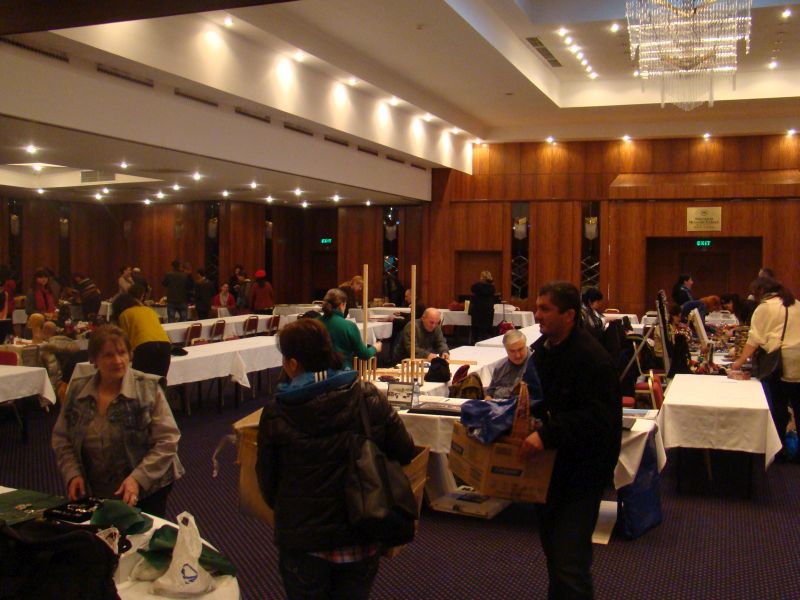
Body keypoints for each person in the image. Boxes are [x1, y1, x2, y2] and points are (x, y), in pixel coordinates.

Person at [256, 318, 415, 600]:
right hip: (361, 531)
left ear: (292, 363)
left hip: (304, 542)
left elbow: (267, 482)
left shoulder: (276, 412)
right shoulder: (366, 396)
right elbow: (404, 450)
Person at [519, 281, 621, 600]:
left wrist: (546, 433)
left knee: (570, 564)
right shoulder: (541, 353)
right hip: (549, 470)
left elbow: (598, 419)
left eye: (545, 309)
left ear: (569, 315)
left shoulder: (592, 359)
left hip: (582, 474)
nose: (537, 315)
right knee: (555, 559)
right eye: (537, 308)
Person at [52, 325, 183, 517]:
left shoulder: (147, 388)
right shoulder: (77, 390)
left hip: (149, 488)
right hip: (97, 487)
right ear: (94, 359)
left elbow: (167, 440)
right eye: (108, 355)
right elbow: (62, 438)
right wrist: (73, 474)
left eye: (122, 353)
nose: (118, 361)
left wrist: (137, 479)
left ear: (130, 355)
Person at [732, 277, 800, 457]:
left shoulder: (765, 308)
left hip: (780, 362)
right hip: (798, 360)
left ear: (760, 291)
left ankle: (780, 452)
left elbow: (754, 339)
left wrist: (738, 362)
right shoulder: (795, 304)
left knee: (779, 407)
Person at [112, 293, 172, 379]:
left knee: (140, 383)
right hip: (165, 346)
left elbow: (124, 341)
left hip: (143, 347)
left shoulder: (124, 315)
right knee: (159, 382)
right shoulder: (149, 310)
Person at [320, 288, 381, 369]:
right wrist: (375, 348)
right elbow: (364, 354)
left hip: (317, 374)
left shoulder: (314, 323)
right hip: (342, 373)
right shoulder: (349, 326)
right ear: (342, 305)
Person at [484, 329, 530, 400]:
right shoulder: (500, 367)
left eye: (520, 349)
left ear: (526, 345)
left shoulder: (537, 363)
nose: (517, 355)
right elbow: (490, 393)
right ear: (506, 350)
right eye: (512, 351)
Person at [469, 270, 496, 344]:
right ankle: (486, 342)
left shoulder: (478, 286)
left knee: (476, 328)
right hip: (488, 310)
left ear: (482, 277)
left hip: (478, 309)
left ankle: (474, 343)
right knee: (486, 328)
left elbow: (472, 288)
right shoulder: (492, 287)